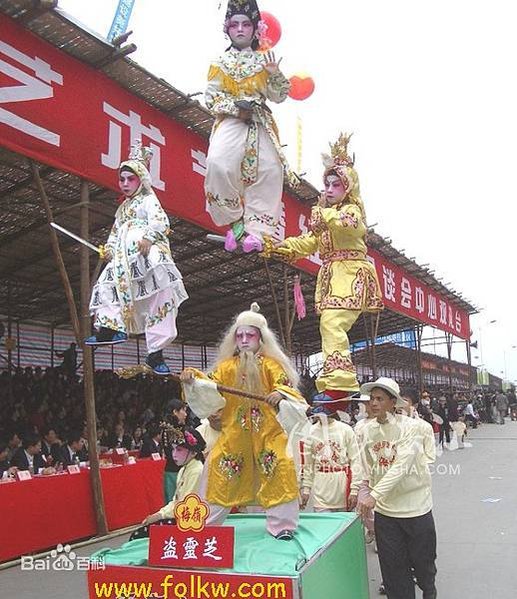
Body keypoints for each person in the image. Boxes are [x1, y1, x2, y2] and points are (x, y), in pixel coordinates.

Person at [267, 133, 383, 400]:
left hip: (351, 273)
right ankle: (335, 383)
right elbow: (309, 242)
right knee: (328, 324)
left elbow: (349, 226)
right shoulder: (325, 217)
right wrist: (277, 247)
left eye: (336, 184)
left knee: (332, 323)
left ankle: (340, 383)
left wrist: (321, 212)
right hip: (333, 276)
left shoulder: (352, 211)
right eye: (327, 184)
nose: (329, 189)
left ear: (349, 187)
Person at [180, 302, 308, 540]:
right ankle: (205, 528)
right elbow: (208, 385)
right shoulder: (227, 367)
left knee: (281, 465)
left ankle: (283, 527)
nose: (244, 339)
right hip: (234, 435)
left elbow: (288, 388)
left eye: (250, 334)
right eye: (240, 335)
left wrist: (280, 394)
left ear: (261, 338)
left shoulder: (271, 365)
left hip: (268, 433)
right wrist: (192, 378)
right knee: (217, 469)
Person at [85, 141, 188, 375]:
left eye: (130, 179)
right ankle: (112, 329)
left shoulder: (149, 200)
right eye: (122, 179)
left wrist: (149, 238)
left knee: (159, 296)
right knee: (105, 285)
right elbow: (114, 232)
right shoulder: (122, 210)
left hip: (146, 256)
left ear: (140, 180)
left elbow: (161, 222)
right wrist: (109, 249)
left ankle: (155, 353)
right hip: (122, 260)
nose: (124, 184)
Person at [204, 0, 296, 253]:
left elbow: (279, 96)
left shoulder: (264, 60)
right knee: (218, 162)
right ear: (227, 29)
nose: (241, 29)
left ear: (256, 29)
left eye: (246, 24)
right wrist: (236, 108)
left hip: (259, 120)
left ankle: (257, 230)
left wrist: (274, 73)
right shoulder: (219, 63)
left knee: (269, 170)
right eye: (235, 25)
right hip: (233, 119)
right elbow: (210, 97)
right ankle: (234, 220)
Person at [357, 377, 437, 599]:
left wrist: (374, 494)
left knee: (424, 565)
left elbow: (403, 464)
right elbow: (366, 465)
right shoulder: (365, 430)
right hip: (386, 512)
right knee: (393, 571)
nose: (373, 403)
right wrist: (363, 489)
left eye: (380, 399)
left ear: (394, 402)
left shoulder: (413, 428)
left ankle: (428, 589)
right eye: (371, 399)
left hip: (416, 508)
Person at [132, 428, 206, 540]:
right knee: (141, 532)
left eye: (179, 450)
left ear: (194, 452)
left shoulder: (196, 471)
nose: (174, 454)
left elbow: (185, 505)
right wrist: (160, 513)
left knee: (142, 535)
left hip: (191, 521)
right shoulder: (184, 469)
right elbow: (176, 501)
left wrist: (161, 515)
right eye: (173, 450)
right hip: (181, 515)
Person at [300, 406, 363, 513]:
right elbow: (308, 464)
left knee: (343, 525)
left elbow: (356, 460)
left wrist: (354, 490)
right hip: (321, 486)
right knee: (323, 524)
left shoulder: (345, 430)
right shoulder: (310, 432)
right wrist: (306, 489)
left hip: (342, 484)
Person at [162, 398, 188, 503]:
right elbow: (171, 453)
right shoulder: (169, 430)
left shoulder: (182, 428)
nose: (185, 414)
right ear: (175, 412)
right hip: (174, 472)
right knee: (174, 504)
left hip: (183, 470)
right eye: (183, 410)